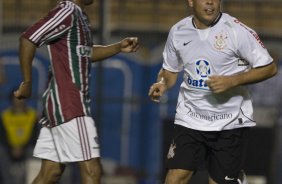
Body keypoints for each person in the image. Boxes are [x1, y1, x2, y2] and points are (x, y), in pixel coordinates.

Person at [148, 0, 277, 184]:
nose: (210, 2)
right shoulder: (178, 31)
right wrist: (162, 83)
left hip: (229, 122)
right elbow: (170, 70)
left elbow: (269, 68)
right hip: (190, 118)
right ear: (191, 2)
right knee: (174, 178)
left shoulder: (236, 30)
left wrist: (232, 81)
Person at [14, 0, 139, 183]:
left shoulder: (79, 16)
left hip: (59, 106)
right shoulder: (67, 11)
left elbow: (85, 53)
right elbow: (28, 38)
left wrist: (118, 47)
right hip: (70, 105)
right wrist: (27, 81)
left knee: (50, 173)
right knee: (92, 171)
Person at [0, 91, 38, 184]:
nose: (20, 101)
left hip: (27, 148)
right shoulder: (4, 115)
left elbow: (34, 136)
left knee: (35, 152)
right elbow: (2, 137)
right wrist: (11, 148)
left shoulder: (33, 115)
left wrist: (22, 148)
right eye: (17, 99)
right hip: (9, 148)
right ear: (11, 100)